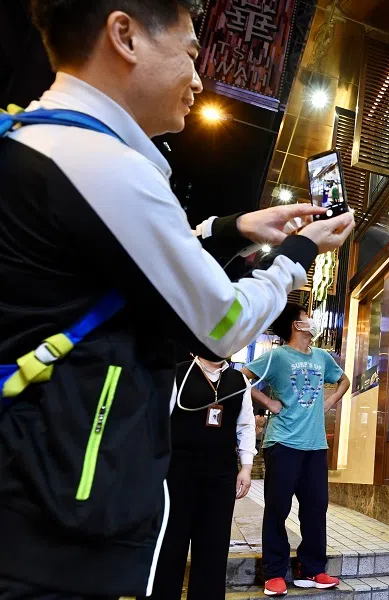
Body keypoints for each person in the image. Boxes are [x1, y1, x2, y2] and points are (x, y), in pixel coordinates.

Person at [0, 1, 354, 598]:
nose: (198, 79)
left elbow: (143, 260)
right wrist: (298, 257)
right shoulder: (102, 164)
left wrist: (236, 227)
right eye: (192, 53)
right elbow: (223, 321)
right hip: (53, 514)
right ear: (124, 35)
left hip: (41, 490)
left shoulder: (49, 140)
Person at [241, 305, 350, 598]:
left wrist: (331, 402)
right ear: (295, 324)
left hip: (315, 445)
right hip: (282, 443)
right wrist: (269, 402)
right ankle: (275, 572)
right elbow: (243, 376)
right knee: (278, 508)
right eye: (306, 315)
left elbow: (344, 380)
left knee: (316, 507)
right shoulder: (277, 357)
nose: (311, 319)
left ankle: (311, 568)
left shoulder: (322, 356)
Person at [149, 355, 257, 600]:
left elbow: (245, 426)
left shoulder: (238, 379)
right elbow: (156, 422)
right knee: (169, 547)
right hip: (176, 472)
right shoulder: (177, 373)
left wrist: (246, 467)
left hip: (220, 474)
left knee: (213, 548)